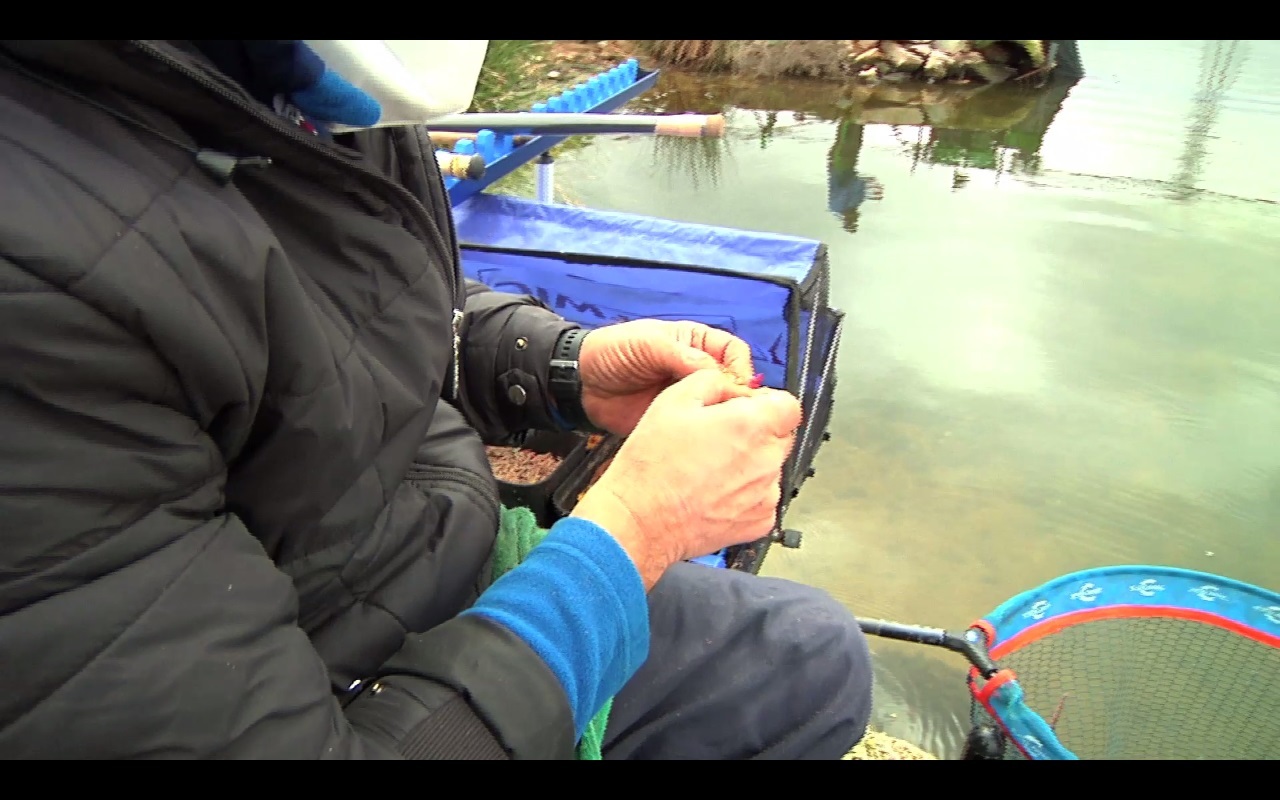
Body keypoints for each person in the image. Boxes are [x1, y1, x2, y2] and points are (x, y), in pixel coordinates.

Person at [0, 40, 873, 759]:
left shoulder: (304, 83)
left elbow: (344, 309)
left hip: (411, 549)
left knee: (811, 656)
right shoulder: (33, 279)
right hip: (339, 676)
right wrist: (635, 537)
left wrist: (560, 365)